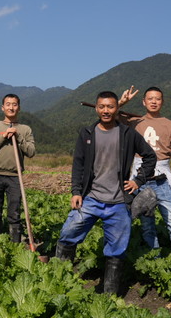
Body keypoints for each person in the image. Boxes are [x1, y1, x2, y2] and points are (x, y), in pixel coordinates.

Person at [55, 91, 156, 295]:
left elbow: (150, 156)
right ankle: (58, 283)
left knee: (117, 250)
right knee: (68, 234)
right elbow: (78, 164)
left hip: (118, 201)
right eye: (102, 107)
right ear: (96, 108)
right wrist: (76, 191)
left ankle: (109, 297)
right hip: (90, 198)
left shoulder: (127, 134)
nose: (106, 110)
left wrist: (137, 181)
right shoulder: (87, 133)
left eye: (110, 107)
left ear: (117, 108)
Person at [119, 86, 171, 253]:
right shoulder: (133, 122)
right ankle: (153, 258)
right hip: (139, 179)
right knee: (147, 224)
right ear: (144, 102)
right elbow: (110, 117)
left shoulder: (170, 124)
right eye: (150, 98)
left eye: (157, 99)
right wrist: (122, 102)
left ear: (162, 102)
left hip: (162, 179)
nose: (154, 101)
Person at [0, 94, 36, 242]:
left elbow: (31, 152)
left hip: (15, 176)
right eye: (8, 104)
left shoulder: (25, 129)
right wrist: (3, 137)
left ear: (19, 108)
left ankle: (15, 243)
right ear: (2, 107)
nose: (11, 107)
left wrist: (18, 137)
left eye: (14, 104)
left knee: (14, 212)